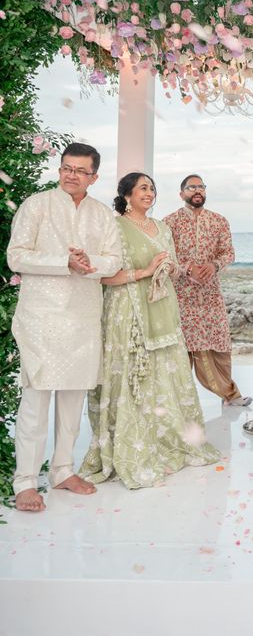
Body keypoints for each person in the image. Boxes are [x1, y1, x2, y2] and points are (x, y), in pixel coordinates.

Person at [80, 172, 220, 489]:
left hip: (162, 308)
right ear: (126, 195)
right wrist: (145, 271)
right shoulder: (113, 227)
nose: (149, 192)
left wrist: (168, 268)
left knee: (166, 376)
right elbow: (103, 276)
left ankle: (165, 442)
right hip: (127, 311)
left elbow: (172, 267)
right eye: (143, 187)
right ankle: (132, 448)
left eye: (152, 188)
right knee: (131, 375)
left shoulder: (163, 228)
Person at [7, 142, 121, 512]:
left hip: (83, 316)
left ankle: (62, 470)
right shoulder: (36, 205)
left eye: (79, 171)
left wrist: (92, 262)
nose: (71, 175)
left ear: (94, 177)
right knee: (36, 400)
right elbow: (16, 255)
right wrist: (63, 262)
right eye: (66, 168)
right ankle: (25, 481)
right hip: (41, 315)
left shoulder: (102, 215)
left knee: (72, 400)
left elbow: (114, 260)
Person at [164, 175, 251, 408]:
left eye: (201, 186)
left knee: (218, 345)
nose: (197, 191)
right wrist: (187, 269)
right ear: (181, 193)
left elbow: (228, 253)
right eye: (191, 187)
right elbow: (165, 255)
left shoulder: (219, 221)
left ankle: (230, 395)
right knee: (181, 349)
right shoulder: (169, 222)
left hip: (210, 296)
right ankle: (177, 403)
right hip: (181, 297)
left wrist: (213, 266)